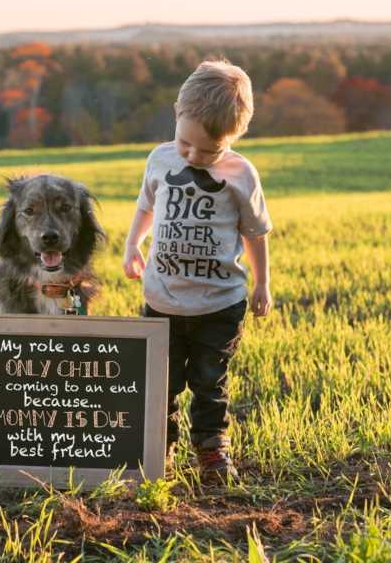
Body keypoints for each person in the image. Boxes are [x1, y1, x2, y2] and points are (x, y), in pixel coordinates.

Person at [123, 60, 273, 482]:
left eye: (208, 151)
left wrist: (262, 283)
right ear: (177, 114)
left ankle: (211, 452)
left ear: (235, 135)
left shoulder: (241, 174)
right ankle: (159, 450)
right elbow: (146, 205)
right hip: (162, 301)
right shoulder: (159, 159)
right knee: (161, 383)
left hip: (219, 305)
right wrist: (133, 243)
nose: (193, 156)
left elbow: (256, 233)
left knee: (210, 384)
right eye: (186, 144)